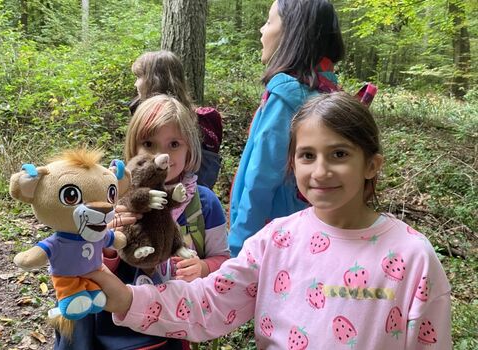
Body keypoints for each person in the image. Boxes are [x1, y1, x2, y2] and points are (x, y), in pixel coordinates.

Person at [87, 92, 452, 349]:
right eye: (307, 155)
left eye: (339, 154)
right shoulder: (276, 239)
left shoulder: (411, 257)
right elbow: (208, 304)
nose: (321, 170)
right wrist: (126, 299)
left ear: (371, 163)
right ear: (293, 164)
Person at [54, 95, 229, 349]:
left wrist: (203, 268)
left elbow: (223, 260)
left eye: (174, 144)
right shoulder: (112, 197)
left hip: (176, 323)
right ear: (133, 147)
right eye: (149, 143)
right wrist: (109, 245)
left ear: (190, 148)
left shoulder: (205, 204)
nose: (162, 155)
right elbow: (85, 265)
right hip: (119, 330)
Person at [228, 0, 345, 257]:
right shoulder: (330, 95)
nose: (261, 29)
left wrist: (239, 247)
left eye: (269, 21)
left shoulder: (285, 98)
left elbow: (260, 179)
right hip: (312, 239)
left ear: (292, 33)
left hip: (268, 242)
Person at [130, 50, 223, 190]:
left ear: (153, 80)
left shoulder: (177, 123)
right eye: (148, 144)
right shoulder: (199, 121)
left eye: (139, 77)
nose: (136, 84)